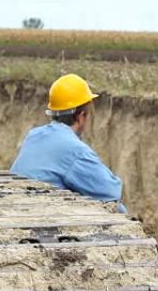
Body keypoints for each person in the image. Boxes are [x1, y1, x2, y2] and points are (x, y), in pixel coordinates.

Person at [10, 74, 127, 212]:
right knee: (118, 209)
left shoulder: (34, 135)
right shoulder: (75, 150)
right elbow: (110, 192)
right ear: (81, 116)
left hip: (15, 207)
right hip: (40, 216)